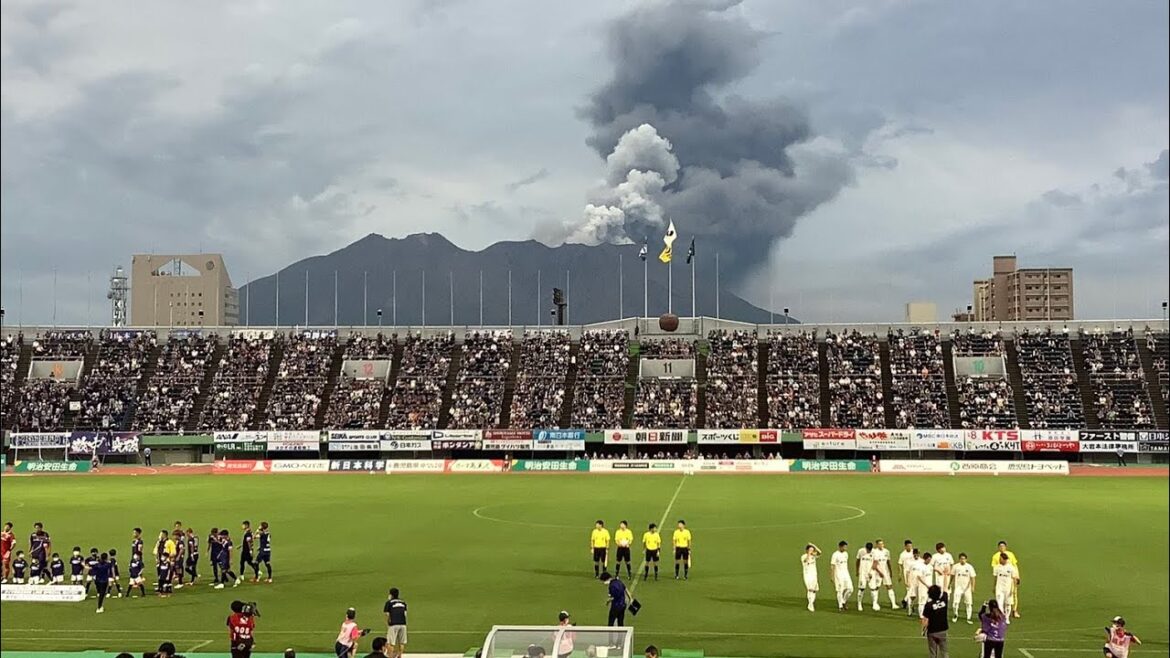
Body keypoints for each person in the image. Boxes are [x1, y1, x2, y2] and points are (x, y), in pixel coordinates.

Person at [989, 541, 1020, 619]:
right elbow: (995, 569)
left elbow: (1015, 565)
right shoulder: (995, 556)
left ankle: (1014, 611)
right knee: (1000, 601)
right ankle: (1002, 616)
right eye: (1000, 546)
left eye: (1003, 546)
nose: (1002, 548)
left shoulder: (1011, 555)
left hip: (1010, 579)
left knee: (1013, 596)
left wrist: (1017, 576)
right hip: (1001, 581)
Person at [919, 584, 949, 658]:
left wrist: (923, 630)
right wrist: (945, 578)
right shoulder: (944, 600)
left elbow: (925, 620)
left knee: (933, 653)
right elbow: (945, 588)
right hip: (943, 630)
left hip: (932, 632)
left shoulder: (928, 605)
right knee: (944, 652)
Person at [871, 538, 898, 609]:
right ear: (877, 545)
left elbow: (888, 562)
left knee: (889, 586)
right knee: (876, 587)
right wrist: (879, 572)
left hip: (886, 572)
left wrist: (890, 571)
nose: (881, 545)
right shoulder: (874, 552)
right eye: (879, 544)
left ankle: (893, 604)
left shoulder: (886, 551)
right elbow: (874, 564)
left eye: (882, 544)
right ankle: (874, 603)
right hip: (877, 572)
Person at [992, 553, 1018, 623]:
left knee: (1008, 604)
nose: (999, 560)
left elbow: (1014, 579)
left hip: (1008, 588)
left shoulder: (1011, 568)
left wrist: (1013, 589)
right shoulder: (997, 567)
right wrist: (994, 587)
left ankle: (1007, 618)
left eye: (1000, 559)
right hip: (999, 588)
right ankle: (1002, 617)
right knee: (999, 603)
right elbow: (995, 578)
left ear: (1005, 560)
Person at [950, 553, 976, 624]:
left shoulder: (969, 567)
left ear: (966, 559)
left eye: (964, 559)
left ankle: (968, 618)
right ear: (959, 559)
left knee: (968, 603)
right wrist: (950, 584)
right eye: (961, 559)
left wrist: (973, 587)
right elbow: (952, 576)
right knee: (955, 603)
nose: (962, 560)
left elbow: (973, 577)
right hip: (958, 588)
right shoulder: (955, 567)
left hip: (967, 588)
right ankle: (955, 615)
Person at [383, 587, 407, 658]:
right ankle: (400, 656)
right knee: (401, 642)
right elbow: (405, 614)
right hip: (403, 624)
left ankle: (390, 657)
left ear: (391, 595)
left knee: (391, 643)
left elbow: (387, 614)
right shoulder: (403, 602)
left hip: (393, 624)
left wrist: (388, 623)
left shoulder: (389, 602)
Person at [830, 540, 853, 611]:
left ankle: (843, 601)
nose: (845, 548)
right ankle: (840, 606)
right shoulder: (835, 555)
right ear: (840, 547)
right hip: (838, 574)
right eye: (844, 547)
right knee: (840, 590)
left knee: (850, 589)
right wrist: (832, 576)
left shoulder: (846, 554)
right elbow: (832, 566)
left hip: (846, 574)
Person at [912, 552, 934, 617]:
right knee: (922, 601)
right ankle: (921, 615)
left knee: (929, 600)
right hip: (923, 587)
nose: (929, 561)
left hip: (930, 586)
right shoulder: (920, 566)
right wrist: (926, 585)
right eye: (928, 559)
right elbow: (919, 577)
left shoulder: (930, 567)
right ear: (925, 559)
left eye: (930, 559)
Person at [801, 543, 821, 612]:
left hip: (814, 575)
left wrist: (814, 545)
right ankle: (810, 604)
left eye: (812, 550)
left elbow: (820, 552)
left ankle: (811, 603)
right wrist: (809, 554)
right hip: (807, 575)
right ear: (807, 550)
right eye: (810, 550)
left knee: (814, 590)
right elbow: (805, 561)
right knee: (810, 589)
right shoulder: (803, 556)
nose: (812, 551)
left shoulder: (813, 556)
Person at [898, 540, 916, 610]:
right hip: (906, 572)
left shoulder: (914, 552)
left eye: (910, 546)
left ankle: (905, 600)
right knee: (909, 588)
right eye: (908, 546)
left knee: (913, 588)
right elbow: (900, 564)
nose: (910, 547)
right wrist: (900, 574)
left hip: (914, 571)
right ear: (905, 546)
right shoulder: (902, 554)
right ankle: (909, 604)